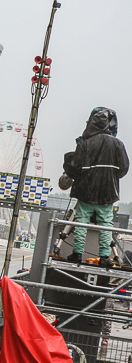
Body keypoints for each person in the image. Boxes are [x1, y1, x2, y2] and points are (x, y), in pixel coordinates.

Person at [64, 107, 129, 267]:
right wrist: (112, 177)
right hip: (108, 191)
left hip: (85, 190)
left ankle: (77, 253)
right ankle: (105, 257)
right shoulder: (118, 144)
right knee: (106, 224)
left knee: (82, 222)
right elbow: (124, 168)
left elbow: (76, 167)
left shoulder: (85, 143)